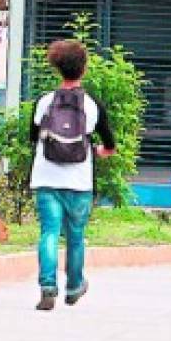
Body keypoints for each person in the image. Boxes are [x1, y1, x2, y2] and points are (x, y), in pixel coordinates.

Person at [30, 39, 117, 311]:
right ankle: (74, 286)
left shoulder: (44, 101)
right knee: (76, 236)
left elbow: (33, 137)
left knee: (49, 233)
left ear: (57, 68)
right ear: (84, 69)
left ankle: (47, 286)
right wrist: (100, 151)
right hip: (79, 182)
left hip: (46, 178)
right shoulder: (93, 105)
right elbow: (110, 144)